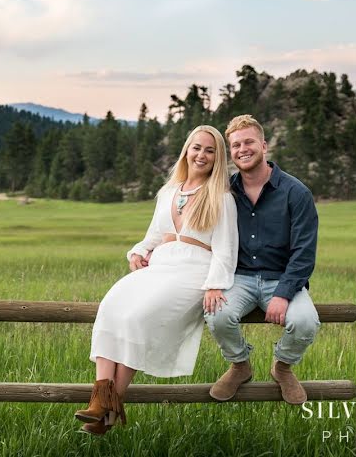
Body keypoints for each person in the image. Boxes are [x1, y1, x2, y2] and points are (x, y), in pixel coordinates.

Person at [76, 125, 238, 435]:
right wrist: (137, 252)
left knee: (138, 317)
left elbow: (226, 249)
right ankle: (101, 404)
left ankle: (110, 406)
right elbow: (152, 236)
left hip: (193, 271)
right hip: (160, 265)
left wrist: (215, 283)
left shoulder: (220, 197)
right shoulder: (168, 192)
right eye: (196, 147)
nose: (201, 154)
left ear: (218, 158)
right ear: (186, 150)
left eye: (209, 150)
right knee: (112, 307)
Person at [205, 114, 320, 405]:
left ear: (264, 145)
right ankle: (240, 365)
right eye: (235, 145)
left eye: (249, 142)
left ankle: (282, 367)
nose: (243, 149)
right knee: (217, 315)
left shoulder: (296, 193)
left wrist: (283, 293)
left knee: (305, 321)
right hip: (238, 278)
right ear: (230, 152)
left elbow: (304, 252)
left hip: (281, 278)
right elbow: (201, 235)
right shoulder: (224, 192)